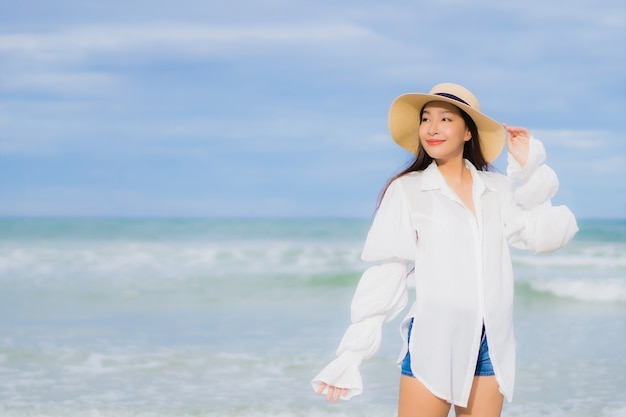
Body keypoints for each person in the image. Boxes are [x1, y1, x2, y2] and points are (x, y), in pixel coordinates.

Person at [311, 83, 579, 417]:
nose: (432, 128)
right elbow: (389, 273)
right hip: (433, 341)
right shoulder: (407, 190)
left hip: (491, 344)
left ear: (469, 131)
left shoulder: (496, 189)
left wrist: (530, 169)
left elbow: (544, 236)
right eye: (426, 119)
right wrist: (352, 353)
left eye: (446, 119)